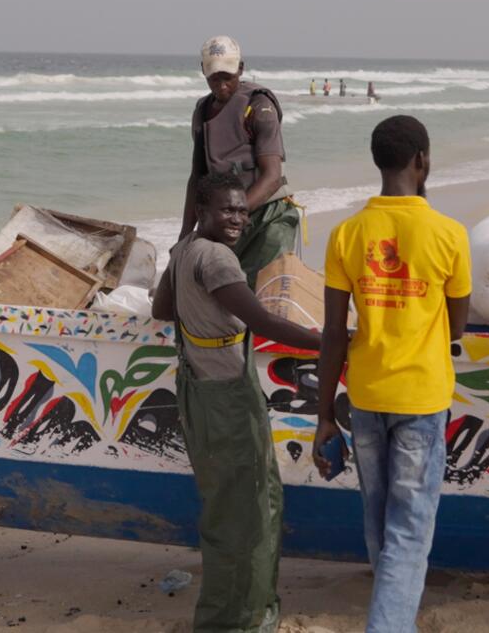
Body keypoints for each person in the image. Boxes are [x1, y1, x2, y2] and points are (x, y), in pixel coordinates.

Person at [313, 115, 470, 633]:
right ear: (421, 161)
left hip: (365, 395)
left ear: (377, 162)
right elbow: (457, 324)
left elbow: (333, 332)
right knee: (409, 531)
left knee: (380, 522)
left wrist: (324, 417)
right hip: (421, 398)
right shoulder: (449, 234)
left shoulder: (346, 234)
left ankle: (395, 621)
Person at [153, 173, 320, 633]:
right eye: (227, 210)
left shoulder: (185, 250)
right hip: (227, 395)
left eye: (243, 212)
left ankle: (241, 613)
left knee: (228, 505)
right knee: (246, 512)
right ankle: (240, 620)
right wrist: (328, 343)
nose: (237, 220)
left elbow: (162, 310)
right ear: (201, 211)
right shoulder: (217, 257)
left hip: (197, 389)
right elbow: (262, 323)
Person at [185, 37, 296, 286]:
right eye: (214, 78)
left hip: (267, 216)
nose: (222, 85)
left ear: (241, 68)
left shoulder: (259, 107)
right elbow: (197, 177)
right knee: (219, 287)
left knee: (264, 290)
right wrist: (185, 235)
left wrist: (236, 215)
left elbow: (272, 175)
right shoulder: (202, 111)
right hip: (228, 218)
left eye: (228, 77)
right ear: (203, 71)